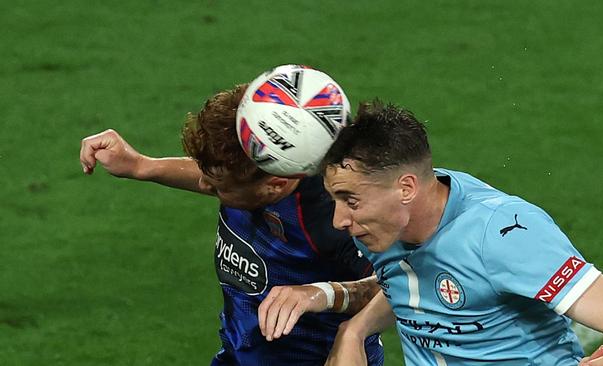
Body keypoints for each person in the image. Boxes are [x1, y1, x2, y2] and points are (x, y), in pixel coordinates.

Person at [318, 100, 603, 366]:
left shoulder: (503, 234)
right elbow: (408, 283)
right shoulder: (387, 224)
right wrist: (355, 330)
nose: (339, 220)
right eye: (335, 198)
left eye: (351, 200)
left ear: (406, 188)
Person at [79, 84, 383, 366]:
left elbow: (402, 285)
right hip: (236, 356)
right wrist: (142, 166)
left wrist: (325, 298)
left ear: (275, 185)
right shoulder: (257, 168)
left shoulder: (335, 219)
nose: (203, 185)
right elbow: (220, 177)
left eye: (217, 188)